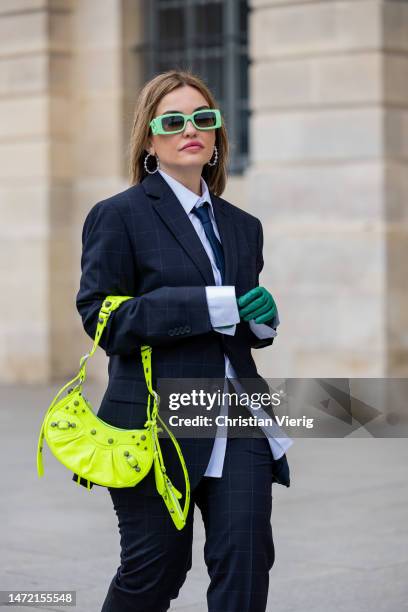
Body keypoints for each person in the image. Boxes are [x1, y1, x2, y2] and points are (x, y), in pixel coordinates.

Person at [75, 69, 293, 612]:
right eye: (172, 120)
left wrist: (261, 321)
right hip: (153, 425)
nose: (190, 129)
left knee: (245, 564)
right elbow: (102, 318)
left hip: (236, 416)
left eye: (204, 118)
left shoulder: (243, 225)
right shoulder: (118, 216)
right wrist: (212, 304)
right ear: (149, 139)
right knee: (155, 571)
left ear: (218, 135)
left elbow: (241, 330)